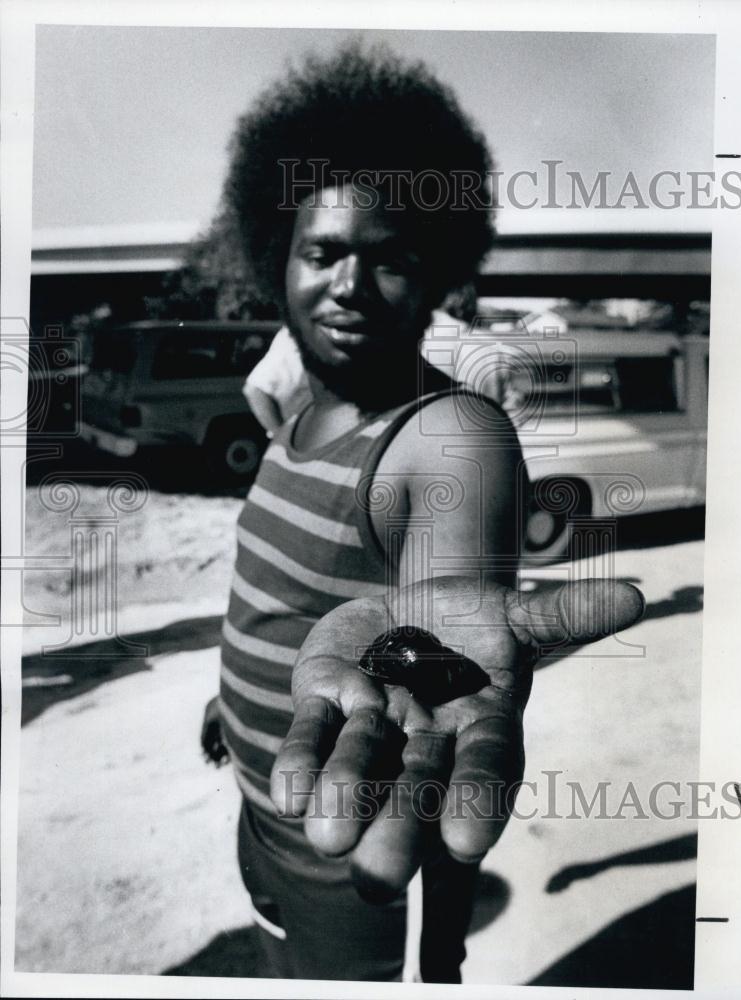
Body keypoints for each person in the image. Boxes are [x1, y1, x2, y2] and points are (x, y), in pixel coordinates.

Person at [202, 42, 644, 983]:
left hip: (349, 838)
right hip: (258, 807)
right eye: (322, 251)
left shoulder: (443, 435)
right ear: (273, 254)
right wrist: (228, 696)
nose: (350, 286)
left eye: (390, 259)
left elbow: (445, 629)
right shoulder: (299, 412)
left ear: (438, 274)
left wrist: (432, 682)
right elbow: (280, 597)